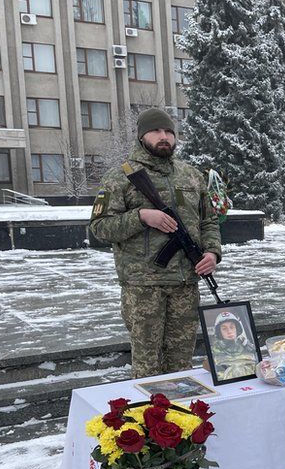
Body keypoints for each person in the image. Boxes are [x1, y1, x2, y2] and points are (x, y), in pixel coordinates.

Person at [89, 107, 222, 379]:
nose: (164, 137)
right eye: (156, 131)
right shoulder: (121, 177)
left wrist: (212, 253)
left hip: (186, 284)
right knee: (147, 368)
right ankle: (150, 419)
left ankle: (180, 420)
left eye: (169, 132)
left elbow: (208, 221)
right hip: (143, 288)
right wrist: (141, 217)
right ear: (142, 137)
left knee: (181, 366)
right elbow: (99, 228)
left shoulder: (191, 176)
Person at [211, 311, 257, 381]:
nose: (229, 331)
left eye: (232, 327)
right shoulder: (214, 351)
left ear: (237, 329)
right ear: (220, 333)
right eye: (224, 328)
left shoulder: (248, 346)